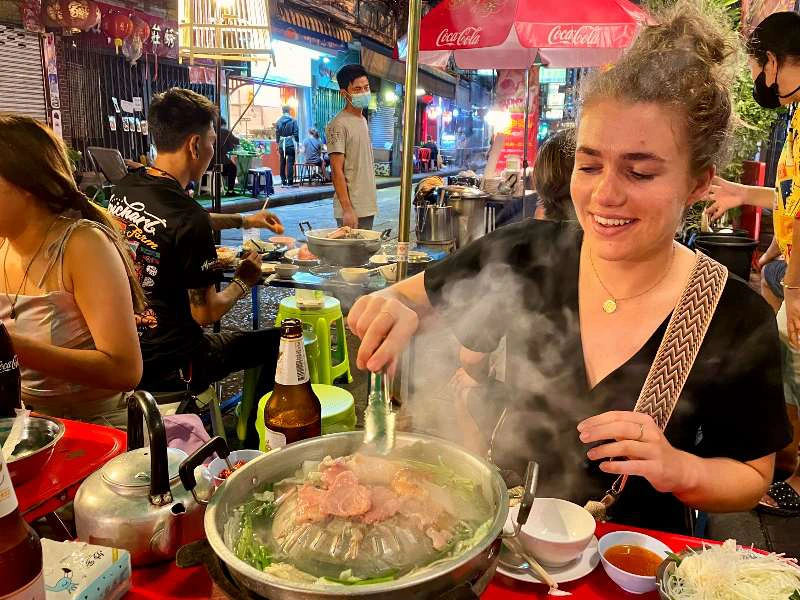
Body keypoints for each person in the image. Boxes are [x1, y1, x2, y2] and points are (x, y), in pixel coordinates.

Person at [347, 2, 792, 534]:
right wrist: (390, 305)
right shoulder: (528, 251)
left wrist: (679, 468)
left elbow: (751, 476)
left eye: (640, 173)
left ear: (698, 184)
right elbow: (406, 296)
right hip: (507, 534)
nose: (604, 195)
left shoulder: (735, 315)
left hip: (631, 554)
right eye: (589, 164)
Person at [107, 88, 284, 409]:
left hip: (127, 350)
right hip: (175, 365)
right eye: (213, 141)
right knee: (280, 342)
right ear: (195, 145)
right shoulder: (188, 219)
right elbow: (205, 313)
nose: (213, 149)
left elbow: (173, 221)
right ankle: (254, 430)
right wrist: (244, 281)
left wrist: (246, 220)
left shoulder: (127, 187)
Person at [703, 11, 800, 516]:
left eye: (760, 67)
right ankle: (788, 464)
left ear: (776, 60)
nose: (761, 78)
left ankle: (797, 479)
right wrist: (744, 194)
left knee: (796, 375)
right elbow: (790, 195)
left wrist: (796, 289)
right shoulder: (797, 114)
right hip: (793, 267)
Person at [0, 115, 144, 426]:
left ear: (25, 183)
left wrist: (12, 348)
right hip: (23, 422)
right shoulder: (2, 244)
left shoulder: (83, 245)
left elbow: (125, 370)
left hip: (97, 426)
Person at [326, 64, 378, 229]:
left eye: (366, 87)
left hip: (366, 205)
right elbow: (336, 170)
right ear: (344, 93)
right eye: (357, 89)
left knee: (366, 247)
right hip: (351, 209)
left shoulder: (363, 120)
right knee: (351, 247)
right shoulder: (338, 124)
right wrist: (347, 209)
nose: (364, 92)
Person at [275, 106, 299, 186]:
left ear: (282, 111)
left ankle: (283, 181)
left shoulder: (278, 121)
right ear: (289, 111)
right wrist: (297, 144)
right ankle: (290, 182)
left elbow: (277, 134)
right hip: (290, 144)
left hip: (282, 144)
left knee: (282, 163)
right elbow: (296, 133)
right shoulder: (293, 120)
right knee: (290, 163)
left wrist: (277, 144)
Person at [220, 118, 240, 195]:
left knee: (228, 168)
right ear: (223, 124)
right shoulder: (225, 132)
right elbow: (236, 141)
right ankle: (230, 191)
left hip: (208, 163)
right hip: (219, 161)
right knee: (233, 168)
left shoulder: (211, 130)